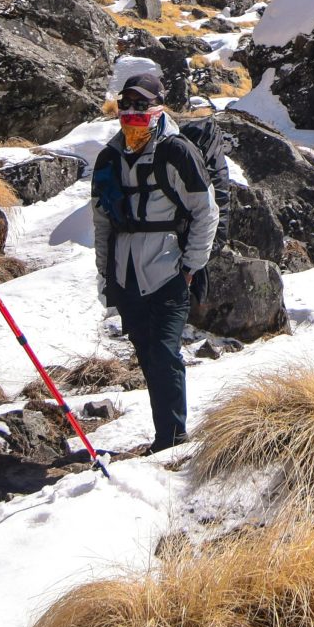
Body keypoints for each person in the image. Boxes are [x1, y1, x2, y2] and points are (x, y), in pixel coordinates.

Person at [91, 72, 217, 451]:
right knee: (147, 353)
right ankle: (166, 436)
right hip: (126, 275)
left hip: (168, 270)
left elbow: (205, 211)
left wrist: (191, 268)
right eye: (125, 105)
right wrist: (105, 275)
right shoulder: (108, 157)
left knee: (164, 352)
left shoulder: (176, 151)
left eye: (141, 105)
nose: (131, 112)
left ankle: (172, 440)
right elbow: (101, 221)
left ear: (158, 107)